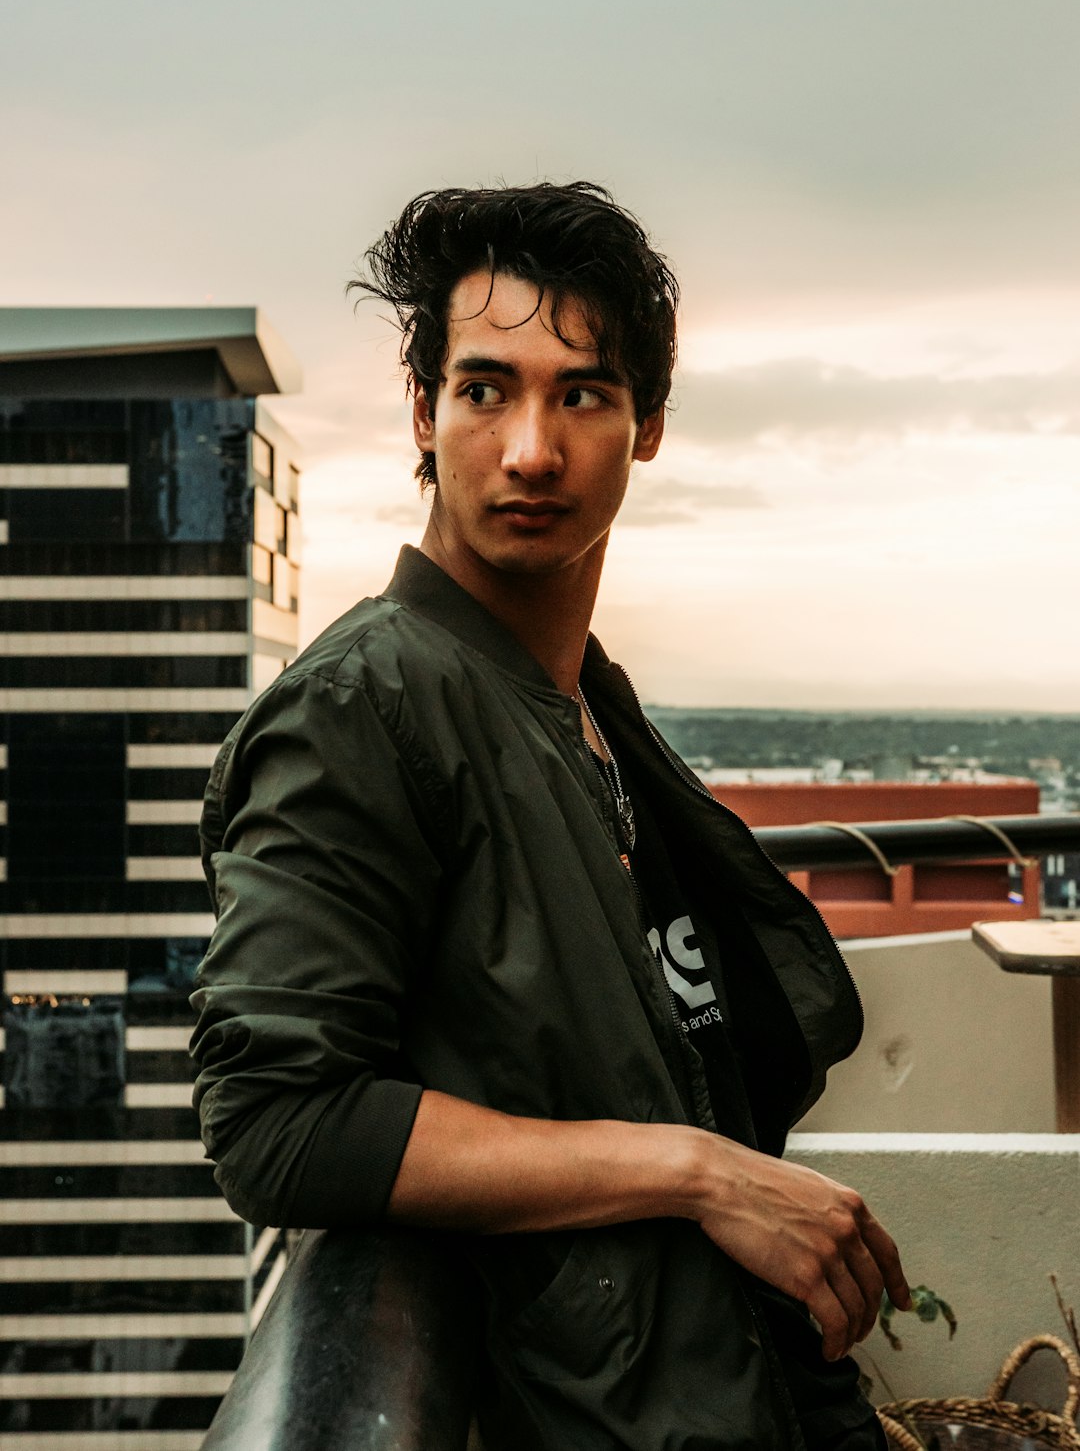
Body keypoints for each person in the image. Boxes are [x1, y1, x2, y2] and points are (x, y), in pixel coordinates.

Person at [191, 182, 910, 1451]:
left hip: (750, 1393)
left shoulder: (574, 701)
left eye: (582, 392)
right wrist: (698, 1171)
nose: (531, 449)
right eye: (484, 390)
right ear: (423, 413)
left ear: (647, 429)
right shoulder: (364, 708)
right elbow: (279, 1121)